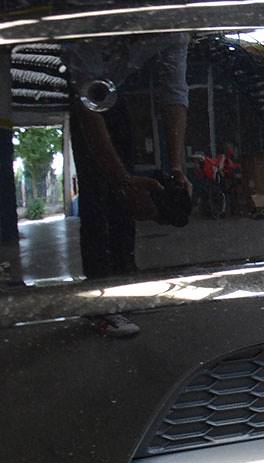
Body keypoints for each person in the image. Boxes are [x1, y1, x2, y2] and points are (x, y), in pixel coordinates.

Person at [63, 33, 192, 280]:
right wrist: (121, 180)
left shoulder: (172, 29)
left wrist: (176, 168)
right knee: (96, 194)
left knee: (124, 191)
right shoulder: (89, 28)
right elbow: (88, 106)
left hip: (113, 90)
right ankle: (98, 279)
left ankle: (125, 267)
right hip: (85, 92)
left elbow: (174, 95)